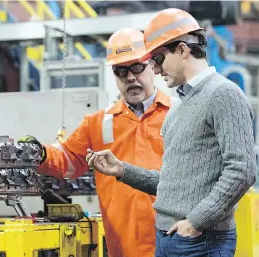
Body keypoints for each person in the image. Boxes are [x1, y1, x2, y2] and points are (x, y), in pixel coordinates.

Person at [86, 8, 257, 257]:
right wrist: (122, 170)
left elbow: (242, 170)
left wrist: (196, 222)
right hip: (169, 237)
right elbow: (172, 185)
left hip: (200, 241)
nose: (154, 70)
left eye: (157, 59)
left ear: (182, 50)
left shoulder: (223, 94)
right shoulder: (178, 110)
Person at [18, 28, 179, 257]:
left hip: (176, 243)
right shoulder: (99, 123)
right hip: (124, 248)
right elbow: (68, 159)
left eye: (136, 67)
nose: (130, 77)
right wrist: (40, 153)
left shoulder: (178, 113)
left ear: (152, 65)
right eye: (121, 71)